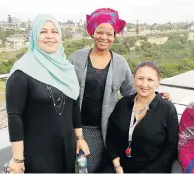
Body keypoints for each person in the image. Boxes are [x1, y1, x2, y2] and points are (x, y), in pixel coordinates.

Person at [69, 8, 170, 172]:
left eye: (110, 34)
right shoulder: (76, 59)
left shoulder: (120, 63)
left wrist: (157, 96)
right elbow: (66, 93)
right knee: (82, 168)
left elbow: (131, 91)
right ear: (92, 32)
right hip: (81, 128)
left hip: (111, 129)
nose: (104, 37)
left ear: (114, 36)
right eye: (100, 32)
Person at [5, 14, 89, 173]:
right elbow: (14, 117)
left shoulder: (66, 69)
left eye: (54, 31)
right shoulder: (22, 71)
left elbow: (73, 106)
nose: (50, 36)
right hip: (38, 153)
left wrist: (80, 138)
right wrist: (18, 159)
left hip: (67, 147)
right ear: (35, 36)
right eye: (43, 31)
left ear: (60, 36)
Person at [105, 61, 178, 173]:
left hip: (152, 170)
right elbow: (111, 136)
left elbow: (170, 149)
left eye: (150, 80)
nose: (144, 84)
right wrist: (117, 165)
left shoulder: (167, 109)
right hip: (118, 167)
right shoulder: (123, 103)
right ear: (134, 79)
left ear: (158, 82)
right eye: (140, 78)